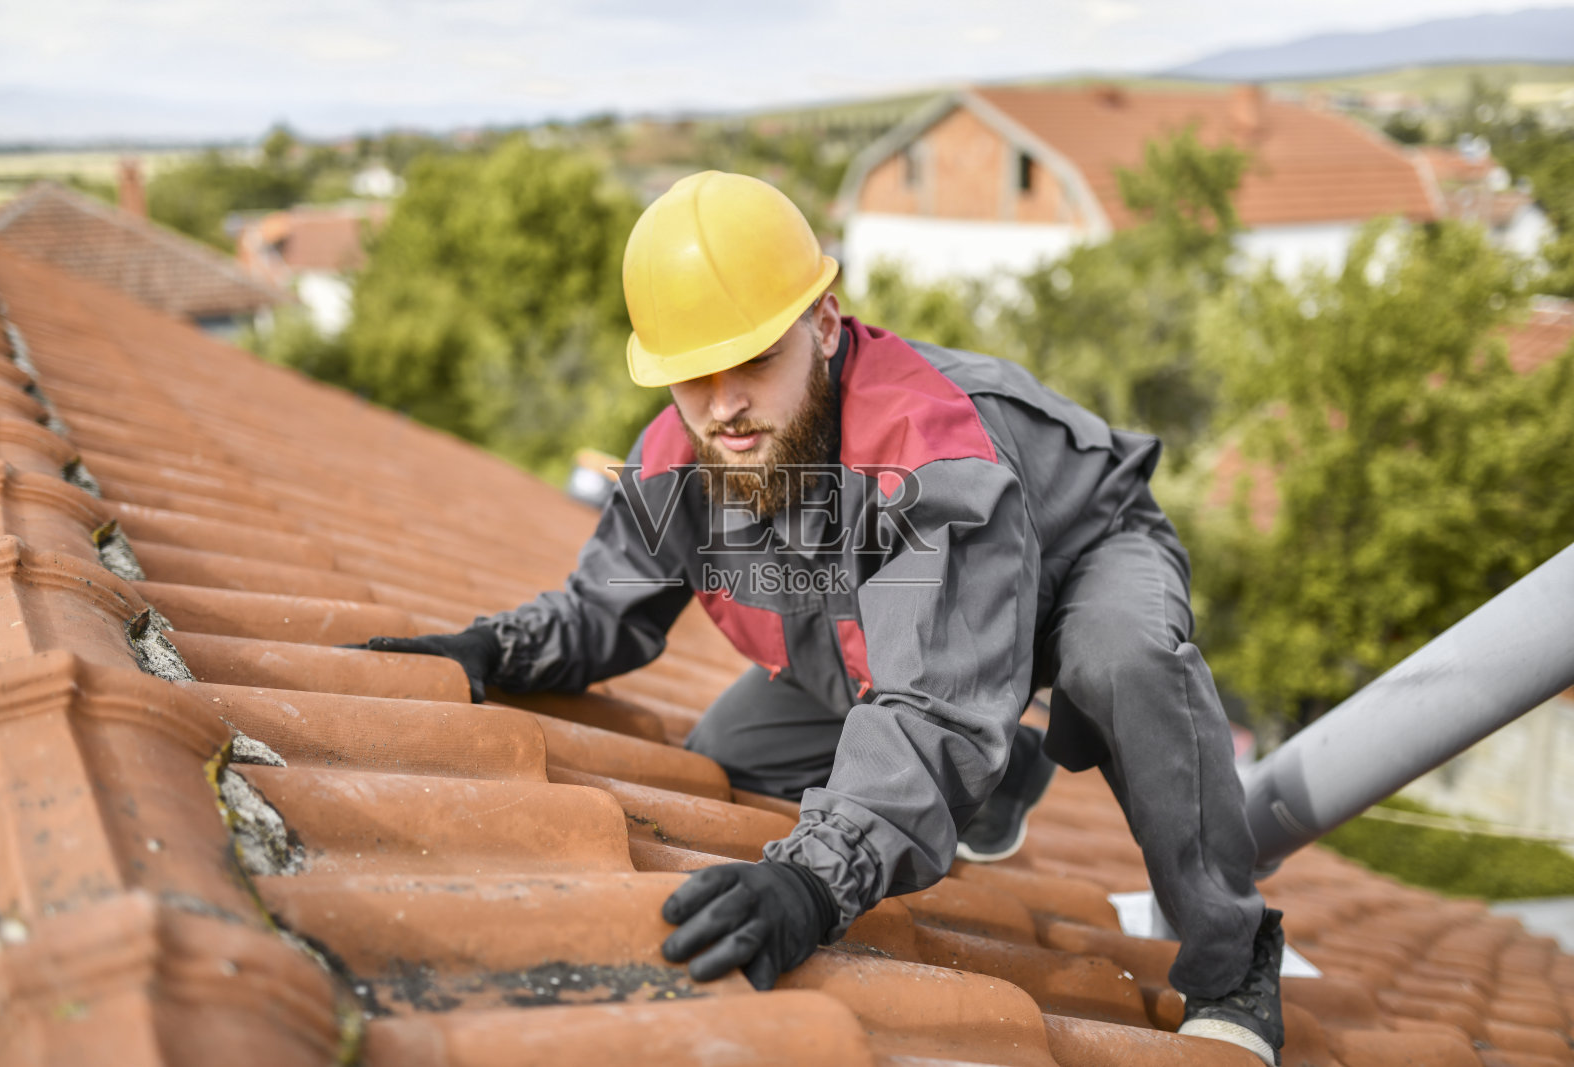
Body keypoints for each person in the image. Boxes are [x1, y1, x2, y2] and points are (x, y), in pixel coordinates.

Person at [358, 171, 1285, 1065]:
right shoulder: (678, 456)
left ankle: (1234, 961)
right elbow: (603, 608)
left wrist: (812, 882)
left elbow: (933, 706)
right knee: (729, 755)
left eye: (754, 358)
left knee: (1118, 659)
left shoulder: (928, 450)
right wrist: (487, 648)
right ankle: (1010, 771)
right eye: (692, 375)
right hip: (910, 632)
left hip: (1077, 557)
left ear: (826, 325)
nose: (723, 405)